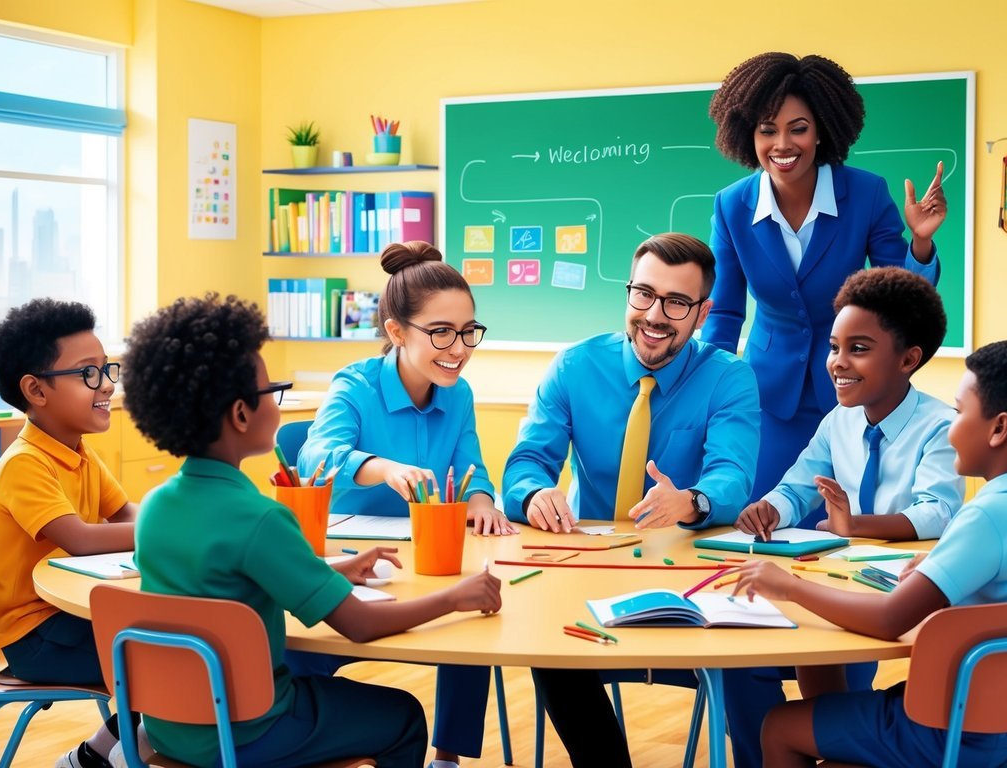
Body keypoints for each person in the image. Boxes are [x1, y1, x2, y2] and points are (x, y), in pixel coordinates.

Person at [122, 294, 501, 768]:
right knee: (403, 716)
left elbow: (228, 578)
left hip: (169, 728)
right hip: (255, 728)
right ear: (241, 414)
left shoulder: (156, 507)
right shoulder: (261, 520)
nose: (280, 408)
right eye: (273, 391)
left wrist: (339, 568)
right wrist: (455, 597)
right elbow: (358, 626)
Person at [733, 339, 1007, 768]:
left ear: (999, 429)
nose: (951, 426)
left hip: (943, 728)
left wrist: (788, 585)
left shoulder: (986, 518)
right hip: (1000, 726)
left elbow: (889, 620)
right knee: (825, 692)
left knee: (780, 726)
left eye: (960, 412)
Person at [502, 232, 760, 767]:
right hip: (587, 566)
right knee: (548, 648)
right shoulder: (575, 367)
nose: (654, 315)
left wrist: (690, 501)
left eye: (676, 302)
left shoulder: (730, 378)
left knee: (745, 658)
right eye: (643, 294)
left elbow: (732, 477)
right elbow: (525, 462)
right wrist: (533, 496)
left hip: (689, 571)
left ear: (703, 311)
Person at [727, 266, 965, 766]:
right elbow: (799, 484)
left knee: (834, 663)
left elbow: (939, 513)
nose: (837, 362)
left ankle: (821, 744)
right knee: (743, 665)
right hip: (840, 579)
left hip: (899, 595)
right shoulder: (839, 420)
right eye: (834, 347)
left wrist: (855, 526)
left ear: (908, 359)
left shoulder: (942, 426)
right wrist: (771, 507)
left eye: (858, 348)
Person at [295, 240, 513, 766]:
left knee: (471, 616)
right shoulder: (356, 384)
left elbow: (471, 466)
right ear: (396, 332)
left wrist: (481, 497)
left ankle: (447, 757)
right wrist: (383, 468)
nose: (458, 347)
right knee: (304, 644)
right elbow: (314, 457)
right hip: (353, 561)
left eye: (468, 332)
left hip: (428, 554)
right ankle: (302, 731)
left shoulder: (457, 394)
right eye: (440, 332)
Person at [703, 51, 948, 506]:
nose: (782, 144)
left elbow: (903, 301)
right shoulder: (731, 205)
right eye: (767, 129)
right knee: (768, 518)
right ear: (748, 134)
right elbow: (724, 313)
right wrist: (711, 392)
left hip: (854, 391)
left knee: (848, 527)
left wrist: (919, 243)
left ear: (822, 132)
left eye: (798, 128)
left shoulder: (866, 192)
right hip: (769, 399)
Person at [0, 298, 136, 768]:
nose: (107, 384)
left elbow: (128, 514)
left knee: (185, 640)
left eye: (107, 368)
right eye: (88, 374)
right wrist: (173, 526)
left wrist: (170, 521)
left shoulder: (80, 452)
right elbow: (82, 539)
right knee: (179, 656)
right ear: (36, 389)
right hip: (39, 637)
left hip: (76, 617)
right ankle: (102, 756)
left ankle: (100, 754)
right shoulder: (26, 462)